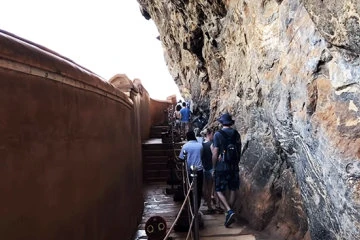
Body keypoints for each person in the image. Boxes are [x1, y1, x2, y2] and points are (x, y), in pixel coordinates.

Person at [211, 113, 241, 228]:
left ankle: (229, 211)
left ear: (222, 123)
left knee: (218, 190)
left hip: (221, 166)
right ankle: (229, 212)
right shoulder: (236, 134)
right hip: (234, 166)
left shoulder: (218, 135)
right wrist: (236, 163)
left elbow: (215, 152)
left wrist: (214, 167)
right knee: (233, 188)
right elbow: (239, 150)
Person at [179, 130, 203, 210]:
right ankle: (197, 208)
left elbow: (181, 158)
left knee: (190, 190)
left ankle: (191, 207)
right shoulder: (200, 146)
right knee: (198, 191)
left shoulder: (185, 146)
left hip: (189, 171)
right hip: (199, 171)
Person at [200, 128, 215, 213]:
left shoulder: (202, 145)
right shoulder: (211, 144)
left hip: (204, 168)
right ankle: (210, 206)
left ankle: (207, 202)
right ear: (209, 134)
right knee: (210, 188)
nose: (213, 135)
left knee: (205, 188)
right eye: (212, 134)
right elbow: (214, 156)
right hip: (210, 168)